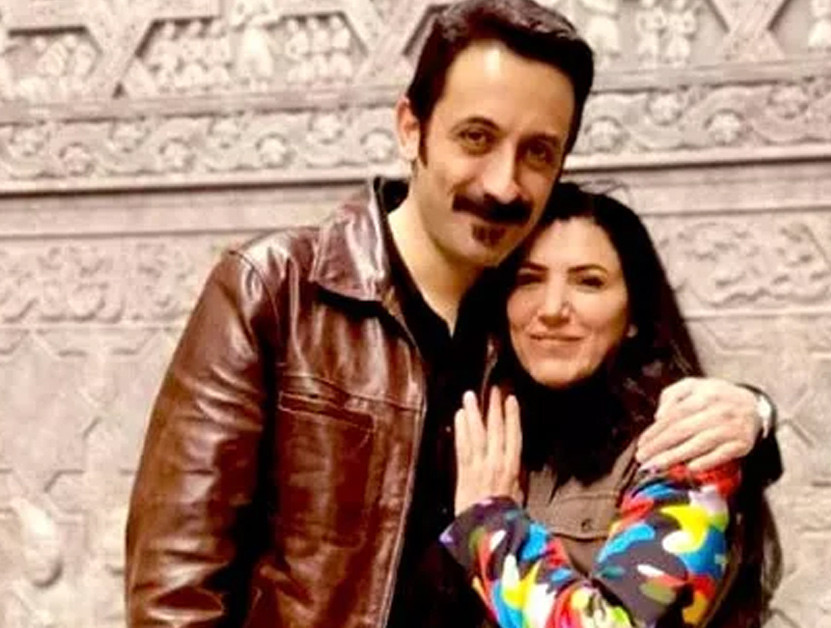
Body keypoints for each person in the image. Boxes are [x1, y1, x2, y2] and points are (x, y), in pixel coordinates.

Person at [125, 1, 780, 626]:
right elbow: (175, 592)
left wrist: (754, 415)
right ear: (411, 128)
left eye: (537, 152)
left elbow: (637, 434)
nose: (502, 184)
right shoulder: (277, 288)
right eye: (476, 137)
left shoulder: (528, 328)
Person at [441, 183, 781, 627]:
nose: (552, 308)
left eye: (589, 281)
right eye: (528, 279)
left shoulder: (684, 442)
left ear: (635, 313)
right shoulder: (483, 433)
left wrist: (491, 523)